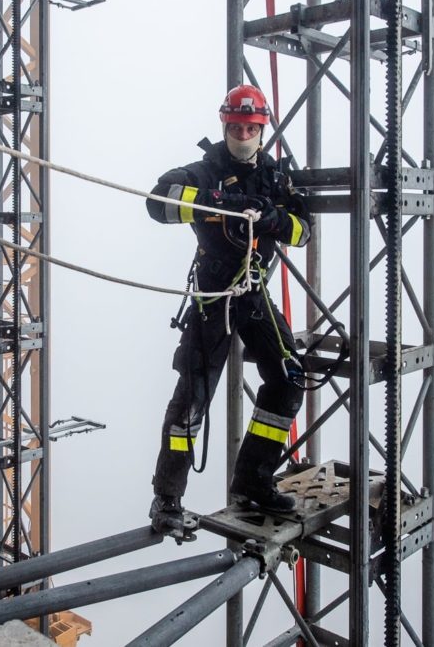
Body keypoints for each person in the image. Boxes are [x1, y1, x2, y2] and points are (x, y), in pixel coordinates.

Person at [145, 84, 312, 538]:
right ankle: (167, 498)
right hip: (213, 295)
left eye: (250, 127)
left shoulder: (275, 178)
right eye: (235, 127)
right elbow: (158, 202)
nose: (241, 134)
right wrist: (217, 202)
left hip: (252, 292)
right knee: (194, 394)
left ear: (263, 129)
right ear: (225, 127)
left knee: (287, 378)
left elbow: (303, 231)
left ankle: (254, 481)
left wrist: (275, 218)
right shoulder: (208, 169)